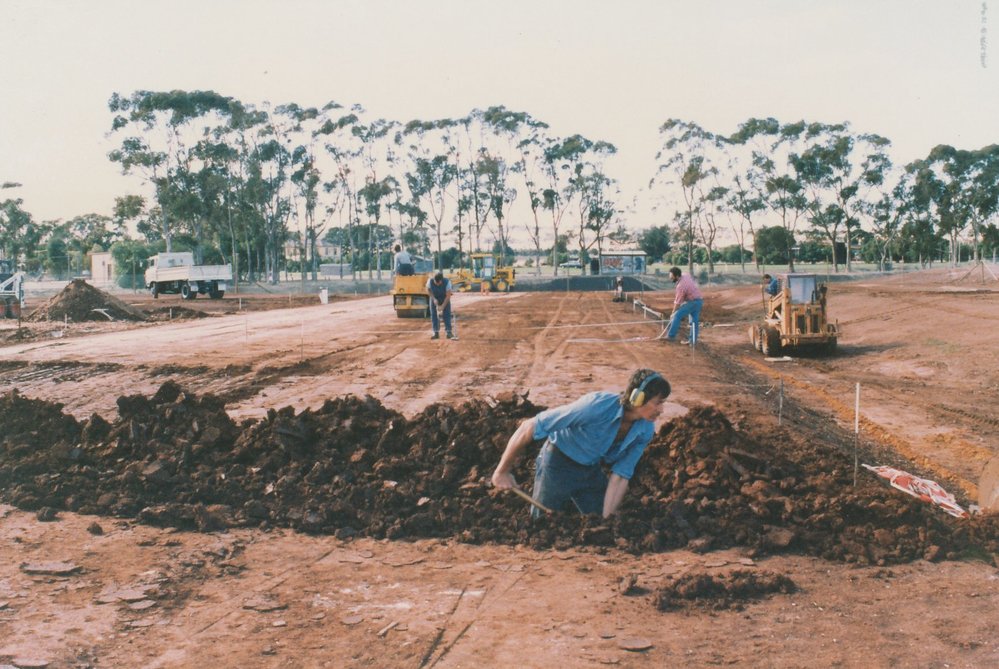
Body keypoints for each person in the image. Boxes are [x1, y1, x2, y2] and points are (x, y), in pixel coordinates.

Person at [491, 369, 671, 518]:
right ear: (637, 398)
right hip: (558, 463)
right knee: (543, 523)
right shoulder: (595, 407)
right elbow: (529, 426)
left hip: (590, 469)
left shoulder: (645, 430)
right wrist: (502, 471)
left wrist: (606, 521)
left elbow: (621, 475)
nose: (661, 410)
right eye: (658, 403)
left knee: (600, 518)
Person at [662, 266, 703, 345]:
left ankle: (671, 336)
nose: (671, 279)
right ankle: (692, 342)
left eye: (672, 277)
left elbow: (677, 302)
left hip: (693, 302)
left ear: (677, 276)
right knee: (694, 322)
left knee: (676, 315)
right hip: (699, 301)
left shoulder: (680, 287)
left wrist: (673, 312)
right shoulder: (685, 274)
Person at [426, 271, 455, 339]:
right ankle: (435, 332)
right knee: (433, 314)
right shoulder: (430, 281)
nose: (438, 284)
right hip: (434, 297)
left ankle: (449, 332)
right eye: (436, 283)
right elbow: (428, 290)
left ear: (441, 280)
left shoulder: (447, 282)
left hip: (444, 297)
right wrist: (433, 299)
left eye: (439, 283)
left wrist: (442, 306)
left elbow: (448, 296)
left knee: (447, 314)